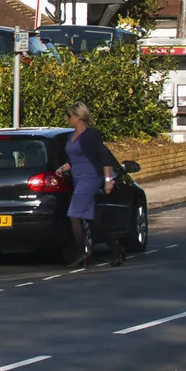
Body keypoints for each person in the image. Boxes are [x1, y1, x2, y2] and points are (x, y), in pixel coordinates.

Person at [56, 101, 124, 269]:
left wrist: (108, 181)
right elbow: (76, 158)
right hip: (78, 178)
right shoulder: (70, 136)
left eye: (69, 116)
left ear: (78, 117)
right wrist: (65, 167)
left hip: (91, 178)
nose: (67, 119)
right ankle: (115, 246)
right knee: (92, 218)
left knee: (73, 214)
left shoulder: (91, 135)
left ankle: (81, 251)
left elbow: (104, 158)